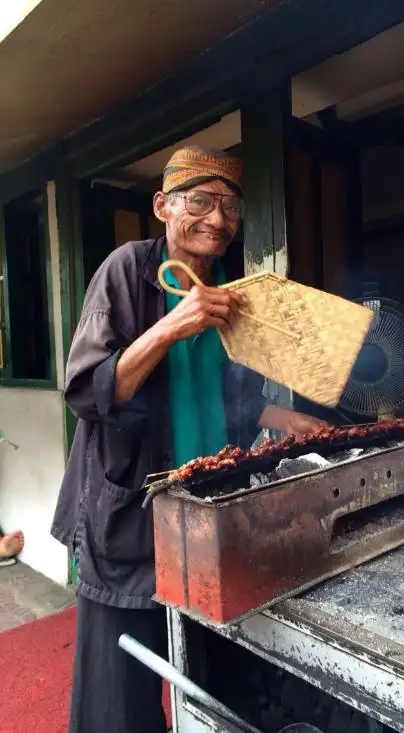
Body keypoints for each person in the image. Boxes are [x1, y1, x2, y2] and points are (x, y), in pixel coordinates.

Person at [51, 145, 327, 733]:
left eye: (230, 206)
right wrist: (174, 324)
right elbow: (85, 392)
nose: (218, 219)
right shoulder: (128, 270)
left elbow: (235, 401)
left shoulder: (233, 288)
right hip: (131, 513)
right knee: (118, 692)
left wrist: (295, 423)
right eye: (200, 201)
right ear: (163, 206)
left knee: (207, 672)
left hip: (208, 513)